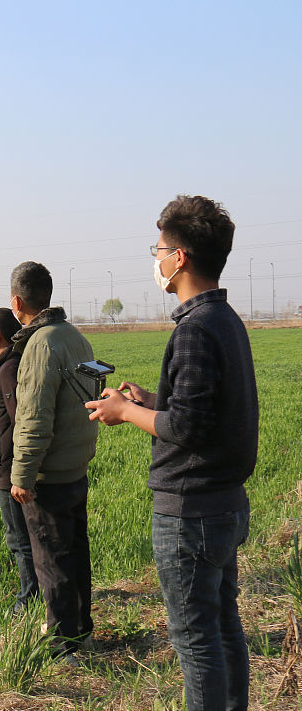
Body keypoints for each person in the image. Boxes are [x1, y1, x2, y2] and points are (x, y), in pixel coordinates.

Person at [86, 195, 257, 711]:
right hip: (225, 503)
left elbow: (185, 427)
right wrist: (152, 402)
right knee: (223, 625)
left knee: (195, 640)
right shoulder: (224, 319)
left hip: (191, 512)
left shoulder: (195, 329)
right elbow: (204, 414)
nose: (156, 259)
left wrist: (122, 411)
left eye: (159, 249)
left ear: (179, 257)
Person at [7, 261, 99, 661]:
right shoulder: (73, 336)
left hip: (51, 472)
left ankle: (64, 647)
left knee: (51, 560)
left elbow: (34, 416)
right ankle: (83, 630)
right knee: (75, 551)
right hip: (76, 463)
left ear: (16, 302)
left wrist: (23, 475)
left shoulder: (41, 345)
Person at [0, 307, 38, 616]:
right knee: (26, 536)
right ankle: (37, 591)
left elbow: (20, 420)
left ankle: (28, 599)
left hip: (10, 470)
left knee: (19, 539)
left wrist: (18, 470)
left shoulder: (8, 369)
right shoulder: (9, 364)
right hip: (9, 467)